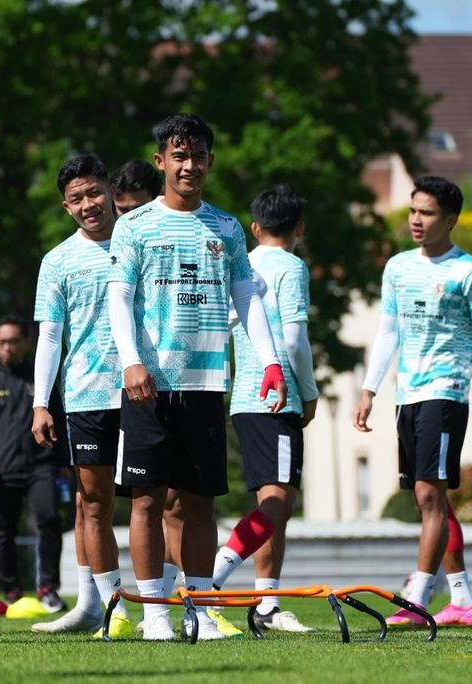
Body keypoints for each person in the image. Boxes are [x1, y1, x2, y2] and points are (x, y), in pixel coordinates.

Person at [106, 113, 286, 641]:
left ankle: (201, 610)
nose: (190, 165)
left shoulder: (227, 227)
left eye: (199, 155)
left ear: (210, 160)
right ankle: (155, 613)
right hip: (147, 383)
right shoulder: (134, 225)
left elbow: (247, 296)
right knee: (146, 499)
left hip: (206, 383)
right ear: (161, 161)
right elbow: (118, 295)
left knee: (198, 501)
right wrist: (129, 361)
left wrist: (271, 362)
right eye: (179, 156)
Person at [353, 175, 472, 628]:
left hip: (447, 392)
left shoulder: (471, 273)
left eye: (427, 213)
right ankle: (462, 599)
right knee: (431, 500)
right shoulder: (398, 267)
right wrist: (369, 388)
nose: (416, 220)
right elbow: (387, 333)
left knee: (427, 494)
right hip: (408, 397)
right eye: (413, 211)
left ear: (451, 220)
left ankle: (417, 600)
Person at [30, 155, 132, 637]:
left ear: (109, 189)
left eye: (93, 193)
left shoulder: (140, 241)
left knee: (163, 501)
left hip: (145, 393)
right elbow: (50, 337)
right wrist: (40, 403)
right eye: (76, 199)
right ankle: (103, 607)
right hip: (87, 394)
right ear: (65, 206)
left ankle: (170, 601)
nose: (88, 205)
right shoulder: (58, 261)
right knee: (94, 504)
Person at [209, 185, 318, 633]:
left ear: (254, 228)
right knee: (278, 501)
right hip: (277, 398)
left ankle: (268, 603)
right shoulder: (292, 267)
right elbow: (293, 340)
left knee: (272, 504)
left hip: (243, 398)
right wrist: (308, 392)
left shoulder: (240, 263)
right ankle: (211, 579)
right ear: (300, 229)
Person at [110, 159, 182, 600]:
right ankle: (130, 604)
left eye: (135, 208)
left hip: (180, 383)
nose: (128, 219)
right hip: (114, 390)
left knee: (181, 501)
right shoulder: (117, 241)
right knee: (128, 501)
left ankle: (184, 597)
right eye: (122, 209)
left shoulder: (173, 235)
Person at [0, 316, 66, 611]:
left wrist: (63, 462)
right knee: (3, 532)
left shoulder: (42, 377)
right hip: (1, 470)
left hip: (41, 466)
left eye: (13, 341)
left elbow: (59, 419)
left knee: (49, 520)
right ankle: (11, 591)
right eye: (2, 342)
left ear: (25, 342)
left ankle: (48, 588)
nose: (8, 348)